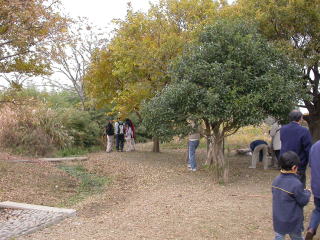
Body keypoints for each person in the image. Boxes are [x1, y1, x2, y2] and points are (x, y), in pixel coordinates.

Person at [272, 151, 311, 240]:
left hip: (278, 219)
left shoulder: (275, 180)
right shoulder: (296, 184)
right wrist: (307, 192)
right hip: (293, 221)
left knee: (279, 236)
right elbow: (303, 200)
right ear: (294, 168)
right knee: (297, 237)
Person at [280, 110, 312, 187]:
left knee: (286, 183)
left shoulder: (283, 129)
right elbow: (308, 148)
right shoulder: (304, 130)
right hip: (298, 162)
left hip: (284, 160)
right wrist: (311, 162)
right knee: (298, 184)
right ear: (300, 118)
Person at [305, 140, 320, 240]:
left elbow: (311, 164)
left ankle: (311, 229)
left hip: (317, 185)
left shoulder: (315, 146)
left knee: (318, 209)